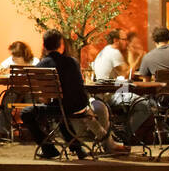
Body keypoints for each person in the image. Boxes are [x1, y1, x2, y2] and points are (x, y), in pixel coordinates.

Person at [21, 29, 126, 158]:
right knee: (61, 111)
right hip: (80, 106)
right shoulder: (72, 62)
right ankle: (78, 149)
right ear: (61, 44)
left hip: (63, 108)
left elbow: (46, 99)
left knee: (27, 113)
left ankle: (48, 148)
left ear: (44, 46)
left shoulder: (41, 66)